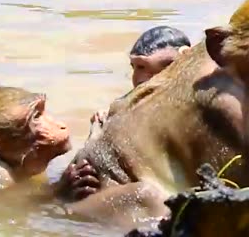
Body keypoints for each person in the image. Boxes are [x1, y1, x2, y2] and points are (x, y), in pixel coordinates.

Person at [58, 26, 191, 201]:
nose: (138, 78)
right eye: (135, 67)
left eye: (145, 67)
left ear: (183, 61)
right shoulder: (118, 110)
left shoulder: (197, 105)